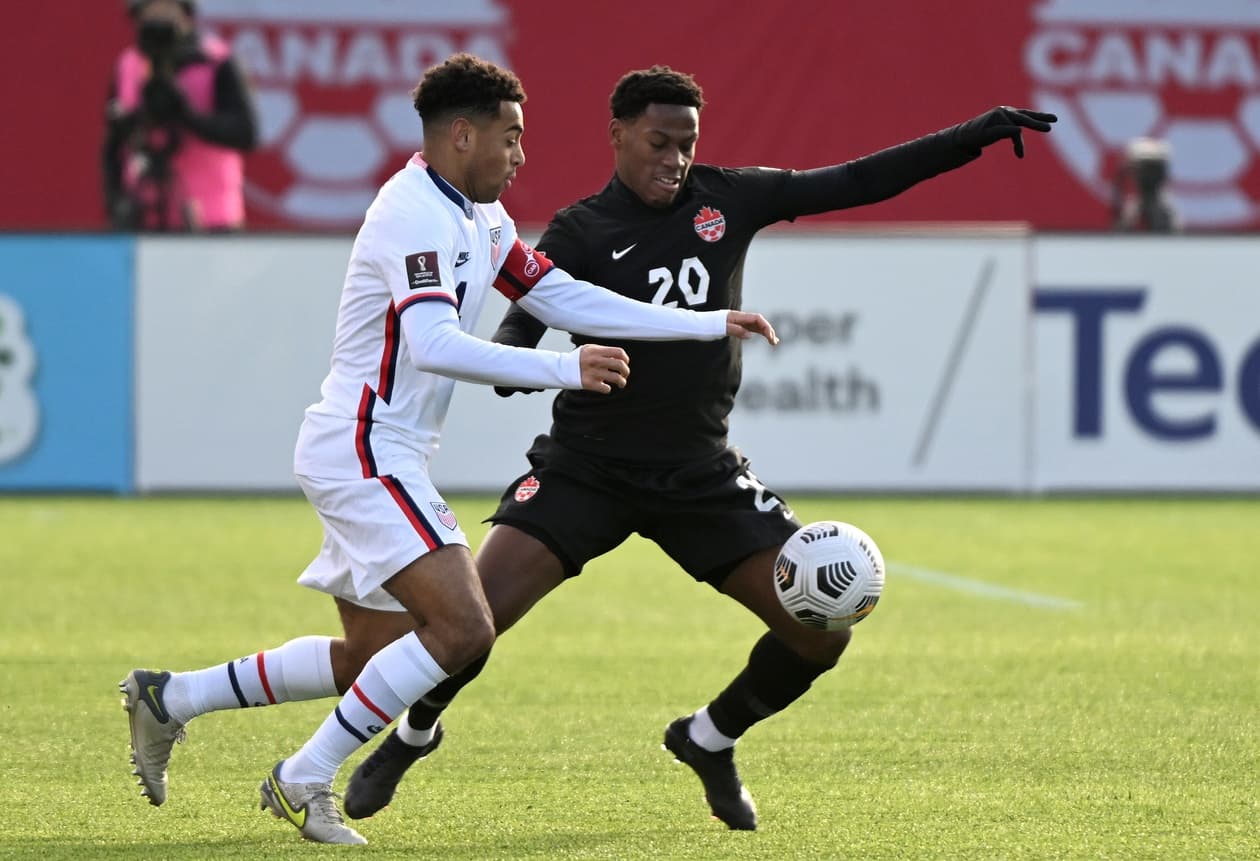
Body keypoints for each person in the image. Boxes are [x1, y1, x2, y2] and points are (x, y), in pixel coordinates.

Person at [342, 66, 1056, 831]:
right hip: (587, 470)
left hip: (701, 473)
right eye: (658, 143)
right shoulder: (582, 229)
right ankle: (416, 732)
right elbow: (527, 320)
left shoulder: (732, 197)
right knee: (471, 621)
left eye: (686, 144)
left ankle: (709, 737)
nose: (674, 160)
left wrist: (969, 138)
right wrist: (519, 360)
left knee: (820, 631)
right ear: (617, 136)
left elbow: (855, 181)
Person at [119, 54, 777, 846]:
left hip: (381, 448)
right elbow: (433, 343)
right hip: (364, 448)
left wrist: (707, 322)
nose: (521, 154)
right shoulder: (413, 214)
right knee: (465, 628)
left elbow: (557, 293)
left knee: (378, 653)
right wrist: (566, 366)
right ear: (461, 135)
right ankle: (303, 775)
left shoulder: (479, 214)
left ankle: (171, 697)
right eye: (511, 137)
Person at [102, 0, 258, 231]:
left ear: (185, 11)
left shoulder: (216, 61)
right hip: (143, 213)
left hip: (210, 217)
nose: (157, 18)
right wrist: (116, 201)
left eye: (165, 9)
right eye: (148, 11)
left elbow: (245, 133)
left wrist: (186, 115)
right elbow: (113, 145)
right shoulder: (129, 64)